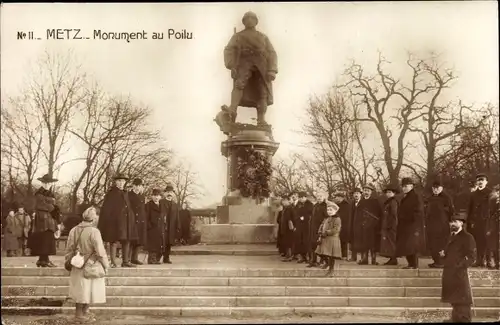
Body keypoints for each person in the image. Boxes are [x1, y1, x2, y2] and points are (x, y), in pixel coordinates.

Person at [223, 11, 278, 126]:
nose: (249, 21)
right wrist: (232, 65)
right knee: (239, 85)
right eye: (246, 19)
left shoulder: (263, 37)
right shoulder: (237, 36)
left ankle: (261, 119)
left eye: (252, 18)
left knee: (262, 92)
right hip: (244, 63)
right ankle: (232, 111)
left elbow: (272, 53)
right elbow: (229, 50)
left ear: (256, 21)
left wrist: (272, 70)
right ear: (243, 22)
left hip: (261, 66)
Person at [65, 205, 109, 323]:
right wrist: (106, 265)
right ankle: (81, 314)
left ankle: (81, 313)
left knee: (79, 289)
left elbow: (69, 248)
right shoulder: (94, 231)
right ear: (94, 219)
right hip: (90, 263)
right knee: (88, 289)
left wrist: (68, 261)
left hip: (76, 262)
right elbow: (100, 251)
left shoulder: (73, 230)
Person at [441, 211, 477, 323]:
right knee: (454, 300)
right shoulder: (451, 236)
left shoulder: (467, 237)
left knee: (462, 300)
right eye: (451, 222)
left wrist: (460, 265)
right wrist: (444, 255)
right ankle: (456, 319)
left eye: (455, 222)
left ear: (461, 223)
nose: (452, 224)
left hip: (459, 274)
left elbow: (472, 257)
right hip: (449, 273)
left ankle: (463, 319)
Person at [98, 173, 138, 268]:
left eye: (123, 181)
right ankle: (113, 262)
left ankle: (125, 261)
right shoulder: (111, 193)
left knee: (126, 240)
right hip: (114, 222)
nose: (121, 183)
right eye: (119, 181)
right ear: (115, 182)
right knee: (113, 240)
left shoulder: (125, 193)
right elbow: (107, 209)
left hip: (126, 222)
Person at [31, 173, 62, 267]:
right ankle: (44, 260)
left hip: (49, 219)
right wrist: (54, 208)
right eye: (45, 183)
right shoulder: (39, 193)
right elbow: (43, 206)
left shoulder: (49, 193)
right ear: (42, 183)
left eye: (48, 183)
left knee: (46, 240)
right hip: (42, 219)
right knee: (44, 239)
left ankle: (42, 260)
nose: (47, 185)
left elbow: (52, 207)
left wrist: (56, 212)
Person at [396, 177, 426, 269]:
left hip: (412, 225)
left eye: (406, 186)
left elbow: (418, 211)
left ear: (412, 186)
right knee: (407, 245)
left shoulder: (415, 196)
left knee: (412, 245)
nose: (404, 188)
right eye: (403, 186)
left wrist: (409, 219)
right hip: (406, 225)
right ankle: (411, 264)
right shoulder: (406, 197)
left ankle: (414, 264)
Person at [425, 180, 455, 268]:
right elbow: (426, 211)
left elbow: (451, 211)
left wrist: (451, 222)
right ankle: (436, 260)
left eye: (437, 188)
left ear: (441, 188)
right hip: (431, 224)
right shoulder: (430, 198)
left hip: (442, 224)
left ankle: (441, 261)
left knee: (441, 243)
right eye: (434, 188)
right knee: (432, 243)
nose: (435, 190)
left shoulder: (446, 198)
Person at [466, 173, 492, 267]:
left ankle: (488, 261)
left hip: (486, 221)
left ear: (486, 182)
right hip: (475, 222)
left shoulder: (490, 193)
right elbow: (470, 208)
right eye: (478, 180)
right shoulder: (473, 194)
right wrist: (469, 221)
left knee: (487, 241)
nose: (480, 182)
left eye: (482, 180)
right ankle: (478, 261)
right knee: (477, 241)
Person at [354, 184, 383, 265]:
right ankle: (364, 260)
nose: (366, 192)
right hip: (363, 226)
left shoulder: (375, 201)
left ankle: (373, 260)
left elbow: (379, 214)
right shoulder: (361, 201)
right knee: (364, 243)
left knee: (373, 243)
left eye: (368, 191)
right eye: (365, 190)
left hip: (373, 227)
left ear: (371, 192)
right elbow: (358, 215)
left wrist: (376, 224)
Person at [315, 200, 342, 275]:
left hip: (332, 239)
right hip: (325, 239)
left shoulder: (337, 219)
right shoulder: (326, 218)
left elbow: (336, 229)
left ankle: (331, 270)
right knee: (320, 253)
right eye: (328, 210)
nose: (329, 211)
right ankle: (327, 263)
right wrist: (320, 231)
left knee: (331, 256)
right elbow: (321, 225)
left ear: (335, 211)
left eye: (331, 210)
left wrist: (327, 232)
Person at [159, 184, 180, 264]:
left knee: (169, 243)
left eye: (171, 192)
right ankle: (158, 257)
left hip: (171, 227)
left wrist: (178, 227)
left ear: (173, 194)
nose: (169, 194)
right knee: (162, 242)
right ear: (165, 193)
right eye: (168, 192)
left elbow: (177, 216)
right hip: (163, 226)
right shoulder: (161, 202)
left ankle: (166, 258)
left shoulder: (175, 205)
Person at [128, 178, 147, 265]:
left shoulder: (142, 196)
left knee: (138, 241)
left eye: (139, 186)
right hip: (132, 220)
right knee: (131, 240)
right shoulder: (129, 195)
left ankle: (134, 258)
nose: (138, 188)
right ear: (133, 186)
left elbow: (143, 209)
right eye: (136, 185)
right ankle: (128, 258)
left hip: (141, 221)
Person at [380, 184, 399, 266]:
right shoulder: (388, 202)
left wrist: (390, 225)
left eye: (390, 192)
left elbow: (394, 215)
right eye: (387, 192)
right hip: (388, 225)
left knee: (391, 242)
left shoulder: (393, 202)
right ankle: (392, 258)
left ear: (394, 193)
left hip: (391, 226)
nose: (388, 194)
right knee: (389, 243)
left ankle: (393, 259)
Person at [307, 192, 328, 267]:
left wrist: (323, 227)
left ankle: (323, 261)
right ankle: (313, 261)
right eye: (318, 196)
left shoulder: (325, 205)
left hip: (320, 228)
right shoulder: (315, 205)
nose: (319, 198)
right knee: (313, 244)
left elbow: (326, 218)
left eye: (321, 196)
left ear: (324, 197)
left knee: (321, 245)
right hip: (313, 228)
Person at [279, 195, 297, 262]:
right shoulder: (285, 208)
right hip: (285, 228)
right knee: (286, 243)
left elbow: (294, 218)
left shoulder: (291, 208)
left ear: (288, 201)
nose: (283, 202)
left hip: (289, 229)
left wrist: (294, 227)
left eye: (284, 200)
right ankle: (288, 256)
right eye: (282, 200)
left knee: (289, 243)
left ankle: (289, 256)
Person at [485, 184, 499, 269]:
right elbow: (490, 214)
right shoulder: (493, 200)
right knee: (494, 244)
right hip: (495, 225)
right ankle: (496, 262)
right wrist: (490, 227)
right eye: (498, 191)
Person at [349, 188, 363, 262]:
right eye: (355, 193)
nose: (356, 195)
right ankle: (353, 257)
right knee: (353, 240)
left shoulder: (363, 202)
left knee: (361, 241)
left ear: (361, 194)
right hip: (353, 225)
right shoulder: (351, 203)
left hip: (361, 225)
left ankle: (362, 258)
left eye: (358, 193)